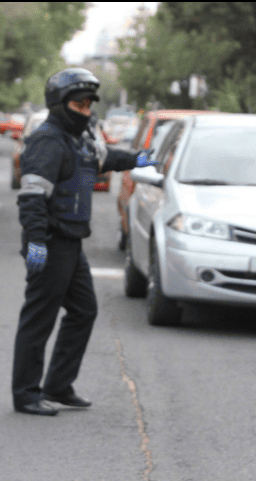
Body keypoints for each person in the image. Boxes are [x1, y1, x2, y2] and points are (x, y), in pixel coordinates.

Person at [12, 68, 156, 416]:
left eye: (90, 102)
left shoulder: (79, 139)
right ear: (60, 104)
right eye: (80, 102)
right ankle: (26, 394)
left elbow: (105, 158)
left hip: (71, 243)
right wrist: (36, 243)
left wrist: (138, 158)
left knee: (84, 310)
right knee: (39, 319)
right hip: (50, 241)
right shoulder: (48, 141)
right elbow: (31, 198)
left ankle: (58, 386)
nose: (87, 109)